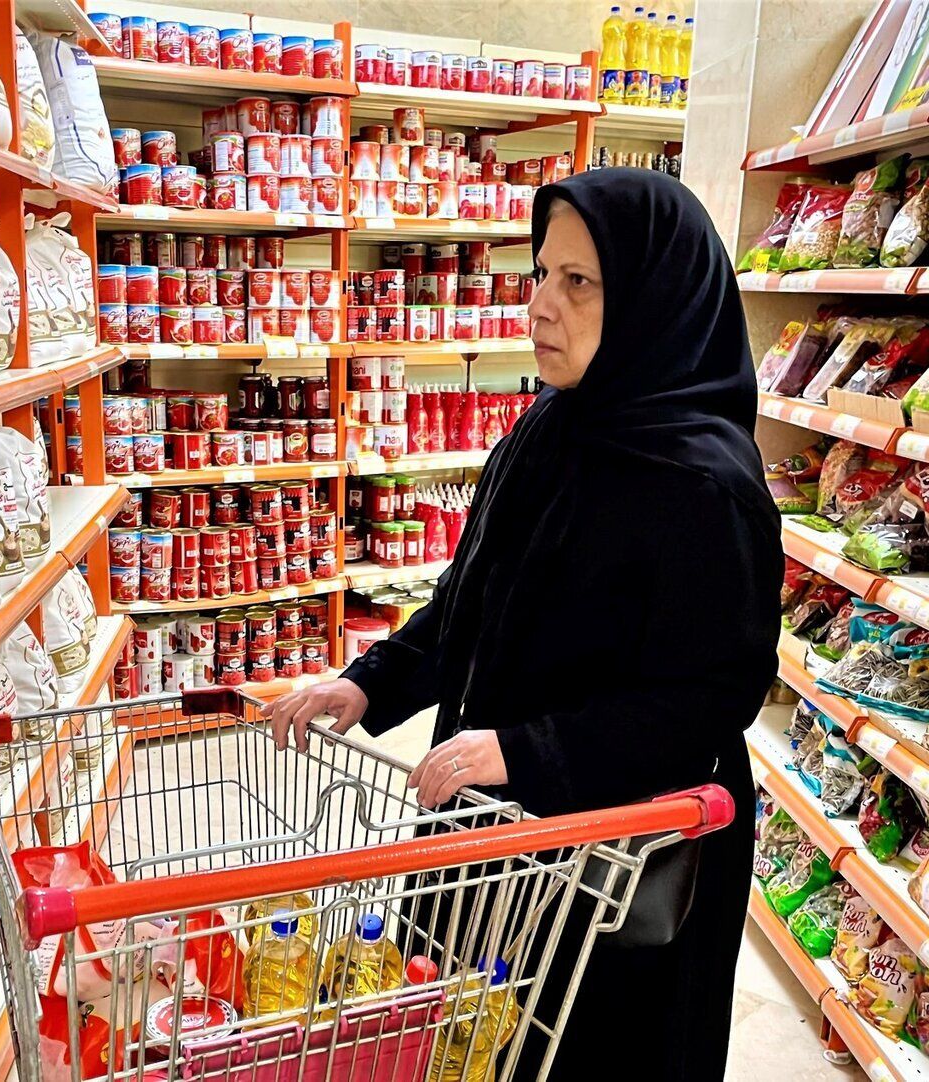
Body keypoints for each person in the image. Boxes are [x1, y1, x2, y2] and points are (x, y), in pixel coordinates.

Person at [267, 169, 782, 1080]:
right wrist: (371, 681)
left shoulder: (705, 485)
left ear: (656, 298)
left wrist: (527, 750)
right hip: (495, 837)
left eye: (578, 282)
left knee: (579, 1053)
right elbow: (473, 598)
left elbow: (709, 700)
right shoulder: (548, 425)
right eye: (541, 273)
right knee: (468, 1038)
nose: (539, 306)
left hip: (612, 865)